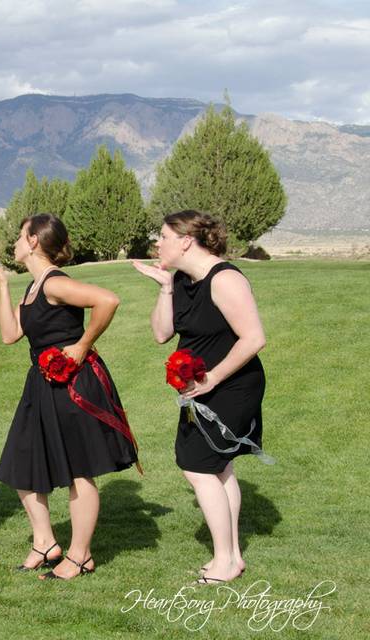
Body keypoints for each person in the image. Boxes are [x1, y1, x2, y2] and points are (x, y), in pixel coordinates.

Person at [0, 214, 139, 580]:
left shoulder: (54, 283)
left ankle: (80, 556)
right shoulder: (33, 288)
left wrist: (82, 345)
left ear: (33, 241)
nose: (15, 242)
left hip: (71, 384)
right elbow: (9, 334)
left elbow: (107, 300)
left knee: (79, 469)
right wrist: (2, 286)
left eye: (20, 236)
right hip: (41, 383)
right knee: (22, 460)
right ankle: (45, 542)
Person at [132, 210, 267, 585]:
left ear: (186, 240)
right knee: (220, 469)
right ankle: (233, 556)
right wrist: (164, 287)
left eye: (163, 236)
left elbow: (254, 338)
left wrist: (212, 379)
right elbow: (161, 334)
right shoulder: (182, 280)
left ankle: (224, 559)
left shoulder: (224, 279)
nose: (157, 242)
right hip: (201, 387)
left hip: (232, 385)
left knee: (196, 466)